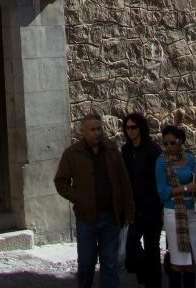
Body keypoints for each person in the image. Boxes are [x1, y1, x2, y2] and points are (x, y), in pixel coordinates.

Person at [54, 112, 135, 288]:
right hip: (86, 218)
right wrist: (78, 198)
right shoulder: (72, 154)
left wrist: (129, 211)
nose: (97, 133)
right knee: (86, 264)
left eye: (99, 129)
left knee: (110, 264)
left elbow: (124, 181)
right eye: (92, 129)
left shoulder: (112, 151)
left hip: (110, 217)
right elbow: (61, 182)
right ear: (83, 131)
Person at [155, 125, 196, 288]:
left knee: (191, 259)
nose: (168, 147)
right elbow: (162, 190)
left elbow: (195, 178)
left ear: (180, 141)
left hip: (190, 210)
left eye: (172, 143)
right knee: (177, 259)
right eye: (165, 144)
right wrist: (185, 188)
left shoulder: (190, 158)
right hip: (173, 212)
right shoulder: (162, 162)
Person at [121, 111, 162, 288]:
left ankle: (154, 284)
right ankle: (144, 270)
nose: (130, 131)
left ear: (141, 128)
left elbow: (159, 178)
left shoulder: (153, 150)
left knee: (152, 249)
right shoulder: (126, 151)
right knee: (131, 242)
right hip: (134, 208)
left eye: (133, 127)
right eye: (127, 128)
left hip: (151, 207)